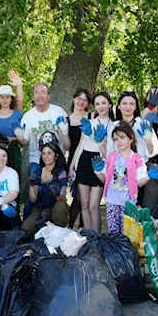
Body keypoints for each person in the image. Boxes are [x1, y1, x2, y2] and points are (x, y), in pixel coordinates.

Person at [94, 122, 158, 235]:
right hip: (112, 202)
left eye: (122, 137)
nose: (119, 142)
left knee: (129, 235)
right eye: (115, 139)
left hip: (128, 204)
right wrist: (98, 171)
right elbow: (105, 180)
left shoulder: (137, 159)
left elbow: (139, 183)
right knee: (114, 234)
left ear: (131, 138)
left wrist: (148, 176)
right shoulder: (111, 157)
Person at [15, 82, 69, 217]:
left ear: (48, 96)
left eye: (42, 92)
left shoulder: (59, 112)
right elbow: (23, 143)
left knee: (58, 194)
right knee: (32, 193)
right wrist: (19, 135)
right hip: (36, 161)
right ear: (33, 96)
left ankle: (57, 223)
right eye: (36, 92)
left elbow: (67, 141)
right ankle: (26, 227)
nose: (39, 96)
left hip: (58, 162)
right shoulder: (28, 116)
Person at [68, 91, 113, 232]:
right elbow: (80, 146)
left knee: (94, 205)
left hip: (100, 164)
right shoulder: (89, 123)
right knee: (84, 204)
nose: (101, 107)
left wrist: (101, 142)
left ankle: (97, 237)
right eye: (97, 104)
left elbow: (111, 152)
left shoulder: (113, 125)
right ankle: (88, 236)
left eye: (104, 103)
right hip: (84, 162)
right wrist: (72, 166)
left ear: (110, 105)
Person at [106, 91, 158, 206]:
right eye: (124, 103)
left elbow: (153, 151)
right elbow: (110, 151)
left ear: (136, 106)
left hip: (140, 173)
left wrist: (148, 140)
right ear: (119, 106)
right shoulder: (113, 126)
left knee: (137, 209)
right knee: (119, 208)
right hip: (120, 173)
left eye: (131, 104)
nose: (128, 107)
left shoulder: (144, 124)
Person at [21, 141, 69, 232]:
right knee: (26, 228)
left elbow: (63, 197)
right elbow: (33, 199)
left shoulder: (61, 172)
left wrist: (57, 194)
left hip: (55, 208)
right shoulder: (37, 171)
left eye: (49, 153)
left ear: (56, 156)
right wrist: (31, 184)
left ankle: (59, 231)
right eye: (43, 153)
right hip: (40, 208)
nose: (46, 156)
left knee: (61, 207)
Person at [66, 88, 93, 227]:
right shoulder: (66, 120)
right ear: (73, 98)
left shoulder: (92, 117)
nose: (81, 102)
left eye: (85, 99)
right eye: (79, 98)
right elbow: (67, 146)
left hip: (89, 159)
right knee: (76, 197)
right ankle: (70, 226)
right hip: (73, 159)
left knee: (86, 199)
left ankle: (84, 228)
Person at [0, 84, 24, 172]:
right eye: (2, 97)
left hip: (13, 152)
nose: (4, 100)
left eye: (7, 97)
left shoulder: (18, 115)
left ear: (11, 99)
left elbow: (23, 142)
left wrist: (14, 139)